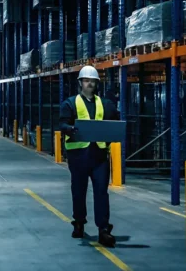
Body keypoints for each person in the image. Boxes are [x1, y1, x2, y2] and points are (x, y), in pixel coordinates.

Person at [59, 65, 119, 247]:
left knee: (101, 192)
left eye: (93, 81)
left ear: (97, 83)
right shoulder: (70, 104)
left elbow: (114, 123)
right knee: (79, 191)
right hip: (78, 156)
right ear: (80, 83)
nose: (90, 84)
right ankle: (79, 223)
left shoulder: (106, 104)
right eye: (86, 80)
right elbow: (62, 124)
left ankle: (103, 230)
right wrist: (71, 129)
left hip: (99, 156)